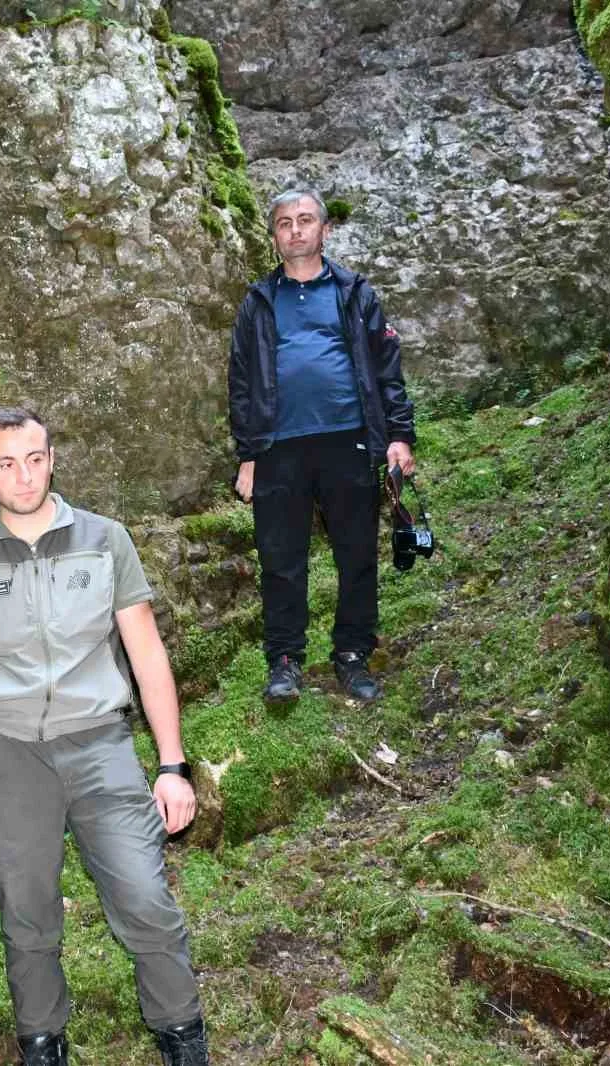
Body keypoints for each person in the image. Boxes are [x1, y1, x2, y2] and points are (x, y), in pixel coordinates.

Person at [0, 408, 209, 1066]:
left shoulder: (105, 540)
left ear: (52, 458)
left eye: (35, 458)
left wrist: (173, 765)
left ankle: (183, 1038)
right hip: (5, 748)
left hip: (100, 741)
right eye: (5, 464)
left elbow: (147, 654)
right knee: (25, 912)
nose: (23, 476)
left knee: (143, 897)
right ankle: (43, 1046)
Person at [228, 188, 417, 704]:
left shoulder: (356, 293)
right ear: (274, 236)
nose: (295, 230)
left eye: (305, 220)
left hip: (349, 440)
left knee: (356, 554)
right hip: (277, 448)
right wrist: (248, 454)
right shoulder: (258, 302)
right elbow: (241, 383)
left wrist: (399, 436)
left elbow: (386, 369)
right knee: (280, 560)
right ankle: (285, 660)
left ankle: (352, 653)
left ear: (325, 230)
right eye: (285, 222)